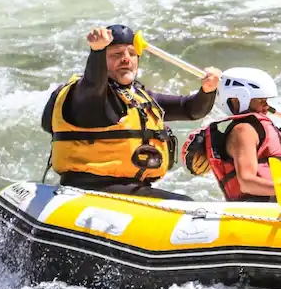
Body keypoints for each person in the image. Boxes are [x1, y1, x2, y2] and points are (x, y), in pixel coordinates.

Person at [41, 24, 221, 200]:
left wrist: (207, 90)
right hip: (91, 188)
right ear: (102, 62)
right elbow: (93, 85)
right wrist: (96, 51)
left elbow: (190, 110)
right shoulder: (87, 96)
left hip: (130, 189)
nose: (126, 59)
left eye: (132, 54)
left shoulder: (138, 97)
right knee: (184, 204)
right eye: (116, 54)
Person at [182, 67, 281, 203]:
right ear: (238, 98)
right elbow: (247, 183)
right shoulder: (244, 130)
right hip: (261, 209)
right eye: (262, 101)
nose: (267, 107)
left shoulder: (262, 129)